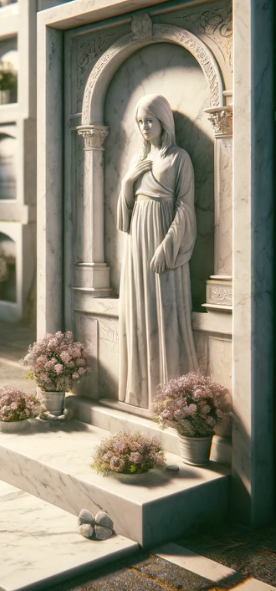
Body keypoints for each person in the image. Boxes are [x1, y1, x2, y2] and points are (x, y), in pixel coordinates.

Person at [117, 93, 199, 409]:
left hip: (164, 236)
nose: (144, 126)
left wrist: (168, 244)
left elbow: (185, 206)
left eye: (149, 120)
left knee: (164, 306)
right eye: (140, 121)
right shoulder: (138, 159)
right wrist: (128, 181)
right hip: (137, 235)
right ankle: (140, 387)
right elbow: (123, 218)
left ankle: (169, 393)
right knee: (138, 305)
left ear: (163, 121)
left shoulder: (180, 158)